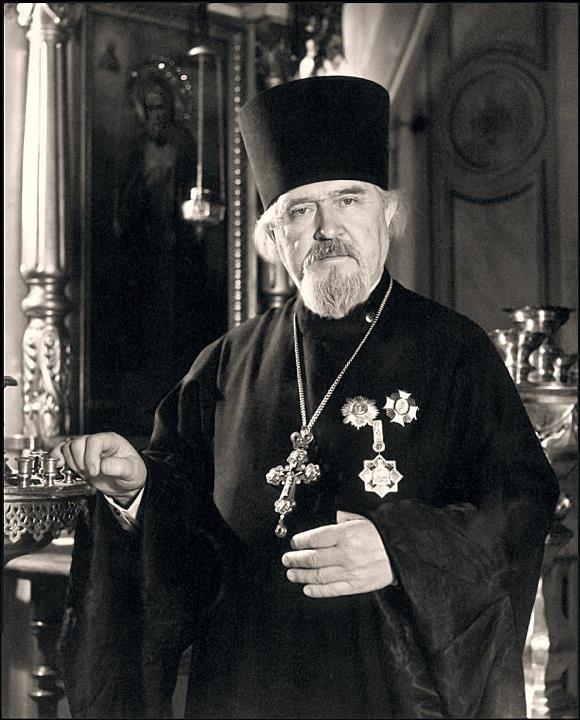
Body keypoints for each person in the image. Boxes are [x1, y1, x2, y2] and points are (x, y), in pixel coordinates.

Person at [52, 77, 558, 719]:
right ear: (274, 239)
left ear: (387, 216)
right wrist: (137, 492)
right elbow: (187, 534)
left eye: (348, 199)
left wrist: (403, 551)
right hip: (243, 689)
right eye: (299, 210)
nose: (326, 228)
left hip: (394, 695)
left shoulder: (454, 351)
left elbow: (522, 502)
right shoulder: (226, 363)